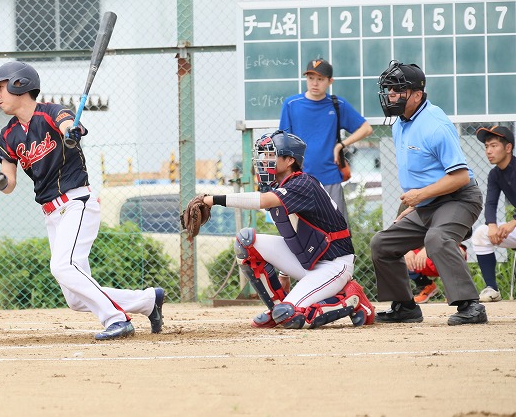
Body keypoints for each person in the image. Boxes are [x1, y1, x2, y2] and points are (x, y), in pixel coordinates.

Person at [0, 61, 164, 341]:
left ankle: (116, 319)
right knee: (76, 299)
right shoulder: (9, 134)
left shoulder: (51, 112)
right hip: (51, 213)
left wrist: (71, 131)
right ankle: (148, 301)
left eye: (1, 87)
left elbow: (67, 123)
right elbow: (10, 183)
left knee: (62, 266)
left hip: (76, 203)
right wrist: (0, 183)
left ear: (21, 85)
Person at [188, 130, 375, 329]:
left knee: (291, 317)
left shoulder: (303, 183)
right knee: (246, 242)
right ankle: (278, 307)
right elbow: (292, 232)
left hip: (334, 264)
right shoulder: (281, 186)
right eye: (264, 155)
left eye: (271, 155)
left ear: (289, 161)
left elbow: (262, 201)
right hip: (309, 260)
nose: (264, 160)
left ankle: (351, 299)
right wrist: (284, 274)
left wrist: (211, 200)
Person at [370, 60, 486, 325]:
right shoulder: (399, 123)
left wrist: (419, 197)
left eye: (398, 90)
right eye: (389, 89)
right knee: (382, 244)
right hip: (426, 204)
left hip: (459, 198)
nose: (391, 95)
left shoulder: (435, 124)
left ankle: (471, 305)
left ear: (417, 95)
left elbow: (460, 176)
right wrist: (412, 206)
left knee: (437, 237)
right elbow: (422, 177)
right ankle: (405, 307)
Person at [279, 57, 372, 219]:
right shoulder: (291, 104)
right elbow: (283, 142)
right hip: (299, 180)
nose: (315, 83)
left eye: (320, 79)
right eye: (311, 78)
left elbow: (366, 128)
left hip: (329, 177)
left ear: (330, 81)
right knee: (301, 230)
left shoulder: (337, 104)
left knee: (337, 227)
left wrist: (341, 145)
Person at [470, 125, 516, 303]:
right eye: (486, 146)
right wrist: (492, 226)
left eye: (494, 145)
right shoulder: (495, 174)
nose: (489, 151)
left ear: (508, 147)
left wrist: (513, 222)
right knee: (481, 233)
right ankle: (492, 289)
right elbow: (490, 203)